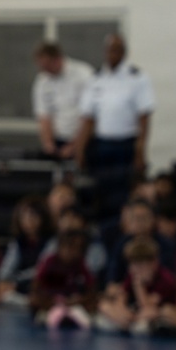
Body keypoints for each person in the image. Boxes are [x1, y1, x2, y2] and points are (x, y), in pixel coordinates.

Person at [74, 34, 155, 221]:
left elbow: (144, 117)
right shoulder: (96, 78)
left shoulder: (137, 78)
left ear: (124, 52)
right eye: (110, 50)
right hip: (102, 145)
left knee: (123, 192)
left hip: (126, 144)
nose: (113, 54)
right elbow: (88, 118)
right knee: (100, 191)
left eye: (117, 50)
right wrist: (80, 149)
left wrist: (140, 149)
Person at [96, 237, 176, 336]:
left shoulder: (166, 280)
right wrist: (122, 312)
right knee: (104, 305)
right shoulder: (132, 275)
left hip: (154, 313)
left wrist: (138, 286)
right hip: (135, 313)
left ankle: (128, 324)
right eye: (132, 265)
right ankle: (125, 323)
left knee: (152, 313)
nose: (134, 270)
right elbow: (121, 297)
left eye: (140, 266)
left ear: (154, 263)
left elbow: (147, 306)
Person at [31, 41, 94, 159]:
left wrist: (75, 146)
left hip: (84, 140)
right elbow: (44, 115)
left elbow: (90, 116)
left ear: (57, 59)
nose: (45, 71)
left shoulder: (84, 74)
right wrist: (48, 144)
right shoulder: (42, 80)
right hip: (58, 141)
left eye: (47, 66)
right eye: (42, 67)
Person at [29, 229, 96, 330]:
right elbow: (35, 285)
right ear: (60, 247)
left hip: (71, 301)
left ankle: (67, 317)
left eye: (78, 249)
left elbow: (91, 287)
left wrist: (78, 300)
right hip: (50, 300)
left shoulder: (80, 262)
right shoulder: (49, 261)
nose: (74, 252)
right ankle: (51, 315)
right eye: (70, 247)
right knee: (34, 300)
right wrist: (50, 299)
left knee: (93, 304)